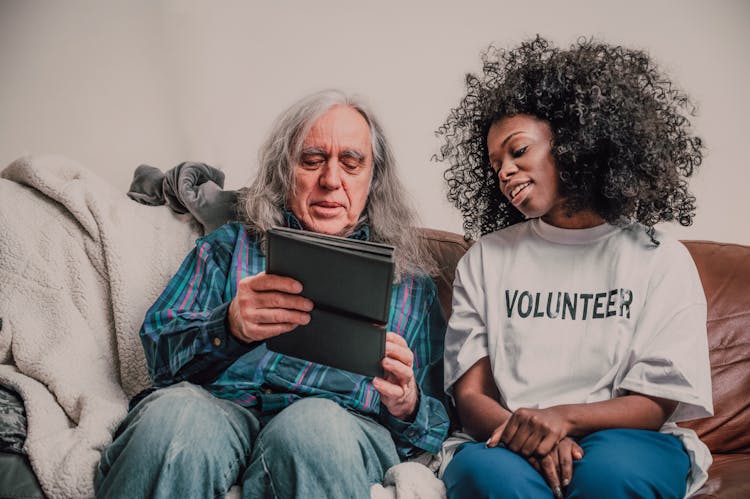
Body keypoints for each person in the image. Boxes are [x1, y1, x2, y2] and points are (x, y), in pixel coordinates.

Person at [94, 89, 450, 499]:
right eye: (312, 160)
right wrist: (226, 325)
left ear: (374, 179)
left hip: (340, 424)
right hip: (220, 408)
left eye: (351, 163)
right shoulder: (230, 246)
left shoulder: (412, 284)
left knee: (312, 427)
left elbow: (435, 424)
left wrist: (407, 401)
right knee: (175, 418)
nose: (331, 180)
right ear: (286, 170)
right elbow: (158, 352)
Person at [435, 36, 713, 499]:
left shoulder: (659, 257)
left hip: (626, 439)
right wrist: (529, 434)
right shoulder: (485, 258)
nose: (504, 171)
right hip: (505, 439)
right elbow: (470, 397)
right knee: (491, 479)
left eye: (518, 150)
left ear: (573, 143)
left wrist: (561, 419)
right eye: (495, 163)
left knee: (611, 476)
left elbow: (655, 402)